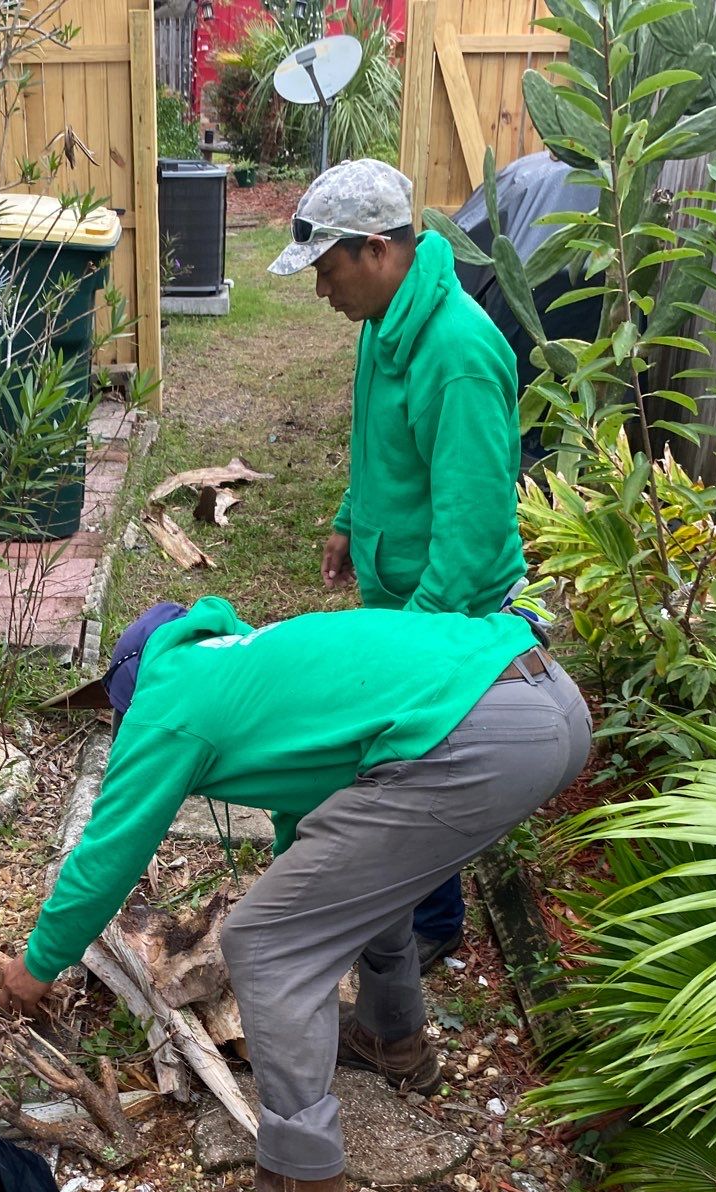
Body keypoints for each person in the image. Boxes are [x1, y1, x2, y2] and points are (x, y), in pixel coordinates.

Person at [0, 597, 591, 1192]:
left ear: (127, 692)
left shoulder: (166, 702)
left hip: (481, 737)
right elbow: (318, 807)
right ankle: (391, 1039)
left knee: (266, 944)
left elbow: (106, 856)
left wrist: (37, 965)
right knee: (364, 875)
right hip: (546, 698)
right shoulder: (257, 656)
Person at [269, 158, 531, 973]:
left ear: (377, 250)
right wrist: (351, 521)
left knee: (422, 768)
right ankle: (398, 907)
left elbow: (474, 524)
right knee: (390, 757)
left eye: (327, 269)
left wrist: (415, 649)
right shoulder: (386, 325)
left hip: (448, 611)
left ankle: (432, 924)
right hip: (399, 590)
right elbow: (373, 440)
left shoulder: (458, 354)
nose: (321, 291)